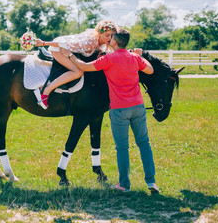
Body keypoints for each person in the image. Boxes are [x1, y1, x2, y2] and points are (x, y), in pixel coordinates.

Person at [59, 29, 159, 194]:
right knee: (144, 144)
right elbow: (150, 70)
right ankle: (151, 182)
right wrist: (140, 56)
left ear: (114, 42)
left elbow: (84, 66)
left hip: (119, 109)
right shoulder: (134, 57)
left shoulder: (109, 59)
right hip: (138, 107)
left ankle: (124, 185)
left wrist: (69, 55)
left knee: (122, 148)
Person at [34, 20, 117, 109]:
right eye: (107, 35)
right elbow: (64, 44)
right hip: (59, 49)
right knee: (77, 72)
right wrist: (44, 43)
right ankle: (45, 90)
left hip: (68, 49)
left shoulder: (103, 44)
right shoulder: (91, 42)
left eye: (111, 36)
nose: (109, 38)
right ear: (99, 34)